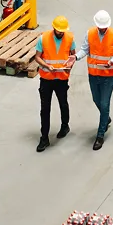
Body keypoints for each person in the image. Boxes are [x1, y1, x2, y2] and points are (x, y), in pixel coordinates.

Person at [75, 10, 113, 151]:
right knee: (96, 100)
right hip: (93, 74)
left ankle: (100, 135)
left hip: (108, 76)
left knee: (104, 103)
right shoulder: (90, 33)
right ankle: (106, 118)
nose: (102, 29)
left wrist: (112, 60)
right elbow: (84, 49)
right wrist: (76, 57)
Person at [34, 16, 76, 153]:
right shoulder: (44, 38)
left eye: (63, 31)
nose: (61, 33)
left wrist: (69, 65)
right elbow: (37, 57)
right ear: (54, 29)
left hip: (62, 78)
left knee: (63, 103)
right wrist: (46, 65)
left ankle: (65, 126)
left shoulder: (69, 38)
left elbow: (73, 55)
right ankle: (44, 137)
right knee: (45, 109)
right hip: (47, 78)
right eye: (59, 31)